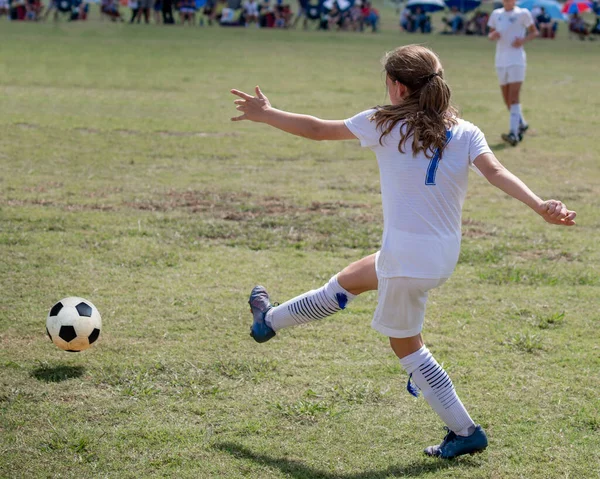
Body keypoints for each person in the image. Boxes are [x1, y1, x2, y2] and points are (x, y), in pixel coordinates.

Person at [229, 44, 576, 459]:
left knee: (407, 347)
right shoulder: (466, 131)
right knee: (349, 281)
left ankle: (465, 431)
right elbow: (497, 172)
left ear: (396, 87)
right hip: (438, 257)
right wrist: (540, 205)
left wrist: (266, 113)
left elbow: (319, 129)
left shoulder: (382, 123)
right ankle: (268, 322)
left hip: (407, 260)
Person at [488, 0, 538, 146]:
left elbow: (534, 31)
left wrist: (523, 40)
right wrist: (493, 36)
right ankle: (522, 123)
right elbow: (490, 34)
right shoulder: (496, 14)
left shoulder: (523, 13)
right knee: (507, 100)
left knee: (514, 97)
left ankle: (513, 134)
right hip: (500, 61)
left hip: (516, 61)